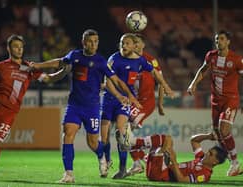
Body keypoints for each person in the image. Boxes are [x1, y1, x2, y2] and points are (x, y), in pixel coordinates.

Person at [31, 29, 140, 183]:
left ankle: (102, 158)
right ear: (84, 42)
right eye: (90, 41)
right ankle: (69, 174)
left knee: (93, 142)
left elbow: (116, 80)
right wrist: (39, 66)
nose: (93, 44)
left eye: (96, 41)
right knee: (68, 133)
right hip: (74, 105)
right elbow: (59, 62)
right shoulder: (75, 56)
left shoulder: (101, 61)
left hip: (92, 107)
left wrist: (124, 95)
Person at [0, 34, 66, 181]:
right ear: (9, 48)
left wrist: (64, 71)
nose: (19, 49)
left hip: (9, 113)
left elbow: (49, 78)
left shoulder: (29, 68)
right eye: (16, 46)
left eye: (21, 47)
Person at [100, 33, 175, 179]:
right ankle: (137, 159)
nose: (126, 45)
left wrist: (164, 90)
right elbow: (109, 78)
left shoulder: (147, 60)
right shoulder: (115, 58)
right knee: (117, 135)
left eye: (135, 42)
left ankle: (142, 157)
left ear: (138, 45)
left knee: (123, 133)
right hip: (121, 99)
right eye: (123, 42)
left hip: (141, 102)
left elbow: (158, 76)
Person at [187, 30, 243, 176]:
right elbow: (203, 70)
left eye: (222, 39)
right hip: (215, 100)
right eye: (217, 39)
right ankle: (229, 161)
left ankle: (235, 162)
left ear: (228, 41)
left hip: (230, 99)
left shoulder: (236, 59)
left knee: (224, 130)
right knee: (218, 133)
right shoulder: (211, 56)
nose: (219, 42)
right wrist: (193, 84)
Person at [126, 33, 165, 176]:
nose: (135, 45)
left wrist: (160, 104)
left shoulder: (150, 61)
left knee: (124, 129)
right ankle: (144, 157)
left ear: (143, 45)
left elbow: (160, 82)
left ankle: (140, 160)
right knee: (123, 131)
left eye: (138, 42)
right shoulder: (127, 60)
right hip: (133, 103)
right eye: (133, 42)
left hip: (146, 103)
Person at [125, 132, 228, 183]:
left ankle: (133, 144)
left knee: (167, 139)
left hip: (161, 175)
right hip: (162, 169)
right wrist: (208, 136)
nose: (206, 153)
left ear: (215, 161)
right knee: (162, 142)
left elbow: (182, 180)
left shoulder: (204, 175)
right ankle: (133, 148)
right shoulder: (200, 158)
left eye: (210, 154)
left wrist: (174, 161)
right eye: (209, 151)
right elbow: (194, 141)